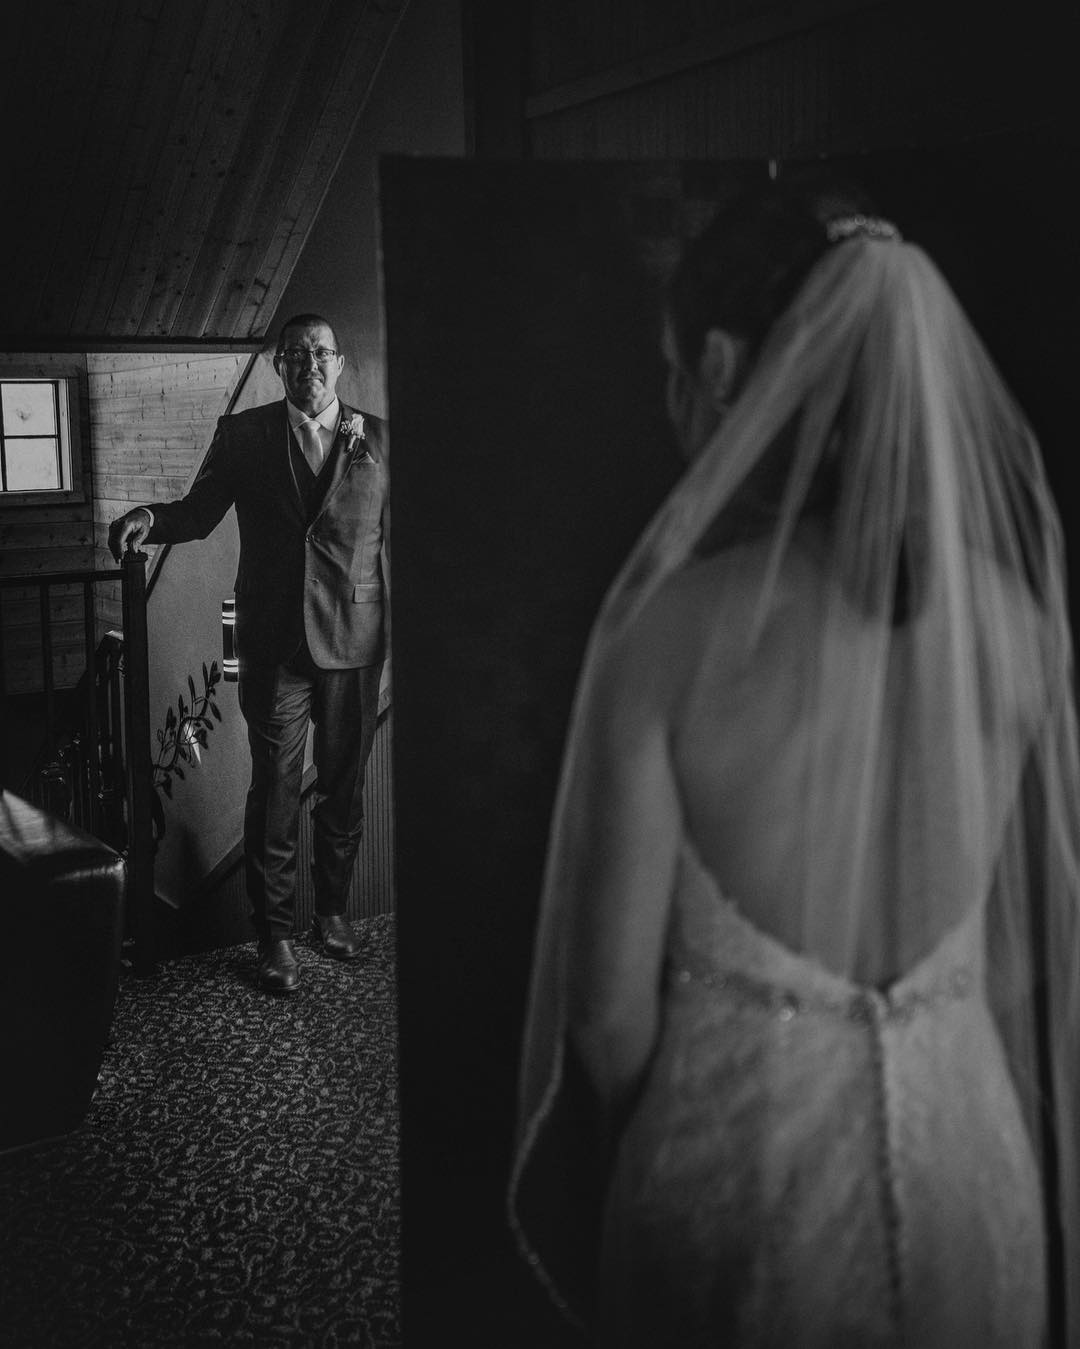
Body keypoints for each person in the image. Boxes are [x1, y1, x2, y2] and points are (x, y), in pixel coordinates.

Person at [508, 176, 1080, 1346]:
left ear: (721, 364)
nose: (673, 402)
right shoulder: (1014, 629)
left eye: (674, 369)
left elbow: (606, 1026)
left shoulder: (666, 639)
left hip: (739, 1206)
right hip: (974, 1183)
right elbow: (1027, 954)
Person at [109, 314, 389, 996]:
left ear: (341, 363)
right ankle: (275, 936)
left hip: (355, 639)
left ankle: (330, 912)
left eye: (320, 352)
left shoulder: (381, 439)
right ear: (278, 366)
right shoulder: (244, 436)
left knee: (344, 787)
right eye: (295, 354)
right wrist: (150, 517)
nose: (309, 363)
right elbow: (198, 513)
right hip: (272, 644)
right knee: (274, 792)